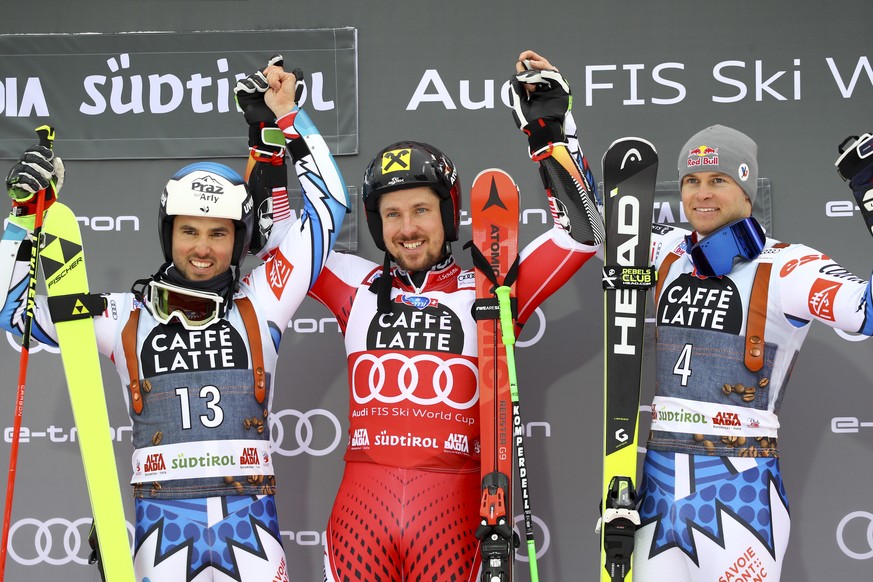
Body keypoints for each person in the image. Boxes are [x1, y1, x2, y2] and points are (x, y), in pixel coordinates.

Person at [247, 50, 604, 580]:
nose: (407, 228)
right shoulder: (356, 284)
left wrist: (550, 133)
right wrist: (270, 133)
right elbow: (278, 238)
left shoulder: (492, 284)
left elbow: (582, 234)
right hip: (358, 524)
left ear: (447, 213)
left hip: (457, 518)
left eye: (421, 210)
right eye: (392, 214)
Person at [0, 56, 349, 581]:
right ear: (169, 233)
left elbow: (329, 206)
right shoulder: (124, 315)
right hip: (161, 540)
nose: (203, 249)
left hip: (252, 536)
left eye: (219, 233)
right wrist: (23, 220)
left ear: (238, 239)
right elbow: (16, 318)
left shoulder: (264, 299)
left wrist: (287, 118)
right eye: (190, 231)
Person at [633, 125, 873, 581]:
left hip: (740, 491)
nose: (702, 194)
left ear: (746, 189)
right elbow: (584, 225)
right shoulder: (665, 251)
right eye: (692, 181)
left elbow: (869, 312)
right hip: (657, 491)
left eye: (718, 180)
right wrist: (552, 134)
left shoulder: (790, 267)